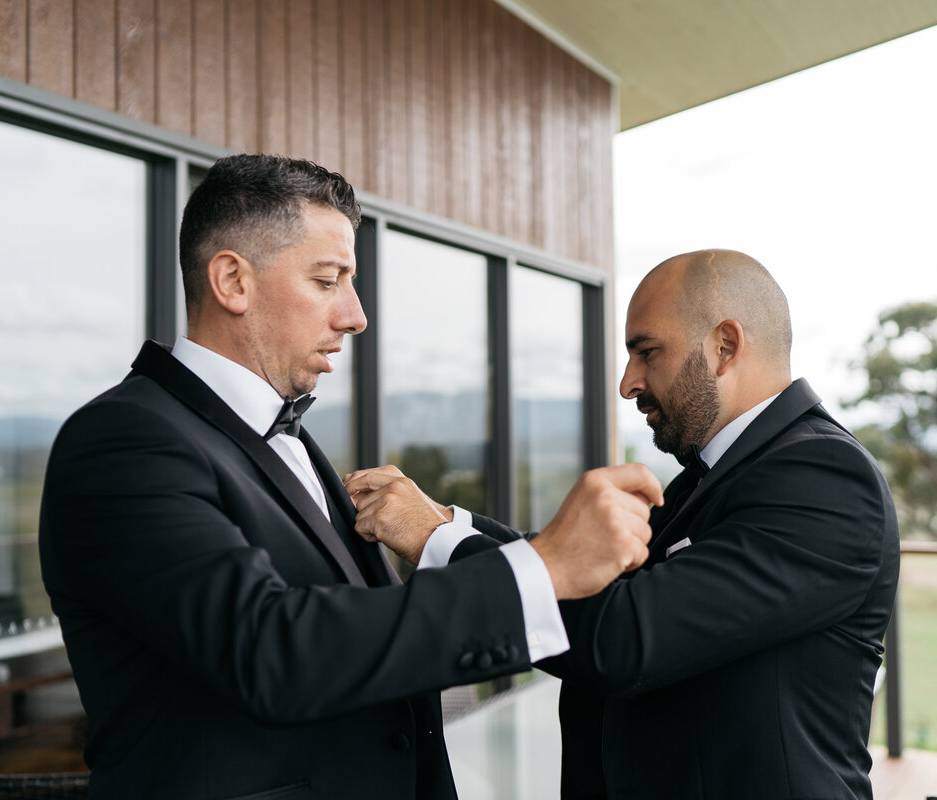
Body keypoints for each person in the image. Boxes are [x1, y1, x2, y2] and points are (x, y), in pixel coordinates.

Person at [37, 153, 660, 800]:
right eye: (329, 280)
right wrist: (542, 567)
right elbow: (271, 649)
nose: (356, 315)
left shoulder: (290, 441)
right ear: (232, 281)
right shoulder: (121, 442)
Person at [346, 249, 900, 799]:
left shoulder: (824, 477)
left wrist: (439, 542)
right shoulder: (713, 475)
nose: (628, 383)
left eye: (647, 352)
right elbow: (585, 577)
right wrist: (448, 521)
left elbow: (627, 635)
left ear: (724, 346)